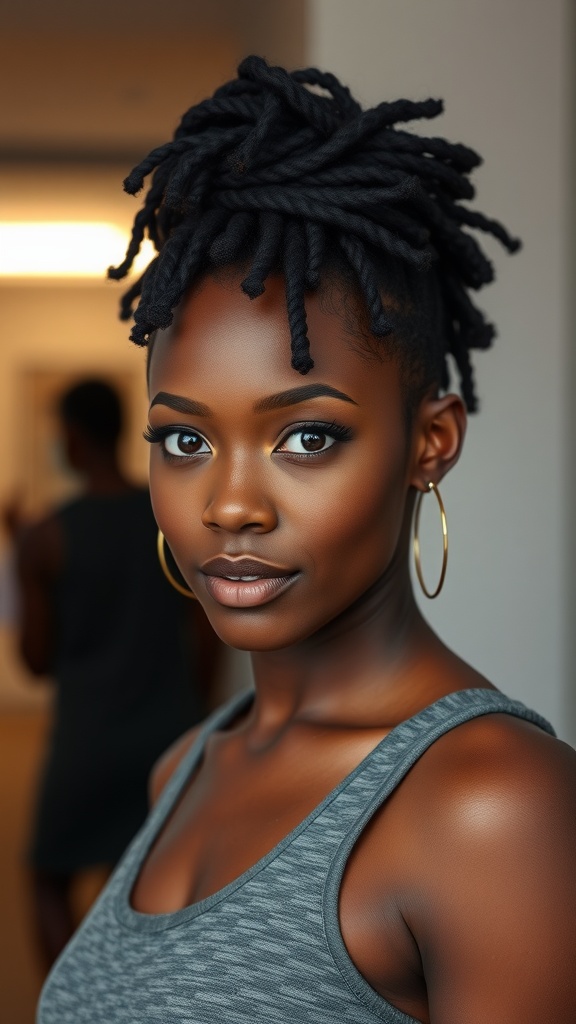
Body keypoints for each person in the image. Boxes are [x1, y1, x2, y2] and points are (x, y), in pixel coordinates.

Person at [38, 57, 576, 1023]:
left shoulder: (493, 806)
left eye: (306, 437)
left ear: (430, 442)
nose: (230, 505)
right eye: (186, 439)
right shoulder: (188, 764)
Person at [9, 379, 220, 970]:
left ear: (72, 439)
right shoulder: (169, 520)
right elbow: (206, 630)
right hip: (167, 733)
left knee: (48, 879)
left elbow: (35, 661)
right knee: (135, 882)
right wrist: (192, 713)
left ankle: (74, 1006)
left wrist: (24, 566)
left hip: (86, 740)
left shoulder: (48, 535)